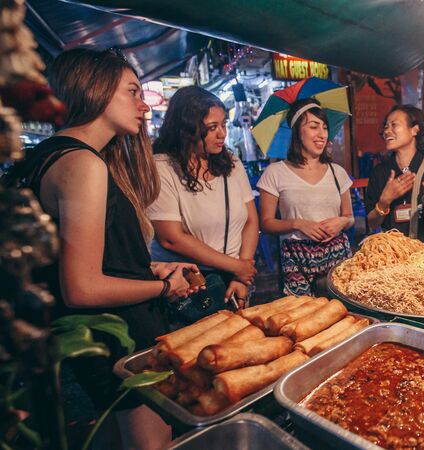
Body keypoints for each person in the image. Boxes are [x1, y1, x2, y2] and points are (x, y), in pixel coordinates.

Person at [6, 48, 198, 449]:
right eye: (132, 91)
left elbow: (81, 261)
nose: (144, 105)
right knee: (153, 440)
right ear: (95, 90)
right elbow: (83, 287)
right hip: (117, 337)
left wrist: (149, 271)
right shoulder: (83, 164)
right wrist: (165, 288)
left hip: (93, 336)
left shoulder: (44, 158)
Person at [148, 86, 259, 321]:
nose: (222, 134)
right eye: (211, 128)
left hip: (237, 277)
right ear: (187, 129)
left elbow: (251, 219)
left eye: (223, 124)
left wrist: (242, 273)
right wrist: (236, 266)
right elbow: (172, 237)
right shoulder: (162, 168)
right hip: (193, 283)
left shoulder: (231, 161)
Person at [257, 98, 354, 295]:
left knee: (344, 314)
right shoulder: (275, 172)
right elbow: (266, 223)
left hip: (338, 255)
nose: (322, 134)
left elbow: (350, 217)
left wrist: (341, 222)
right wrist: (298, 224)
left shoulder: (337, 172)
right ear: (297, 132)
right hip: (297, 257)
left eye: (325, 127)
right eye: (313, 127)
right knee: (304, 318)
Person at [365, 105, 424, 243]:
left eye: (394, 125)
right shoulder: (379, 172)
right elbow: (373, 223)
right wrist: (384, 201)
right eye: (386, 127)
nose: (387, 131)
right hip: (392, 252)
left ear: (414, 130)